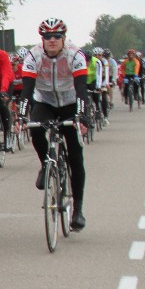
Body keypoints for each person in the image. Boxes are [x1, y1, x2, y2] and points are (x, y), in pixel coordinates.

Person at [20, 18, 88, 230]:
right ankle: (45, 164)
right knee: (35, 129)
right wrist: (21, 116)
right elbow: (27, 89)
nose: (52, 40)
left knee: (75, 156)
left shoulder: (75, 55)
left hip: (70, 102)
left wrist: (82, 116)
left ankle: (78, 210)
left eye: (57, 36)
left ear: (64, 38)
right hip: (45, 102)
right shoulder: (33, 55)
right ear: (42, 39)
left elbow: (82, 88)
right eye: (47, 36)